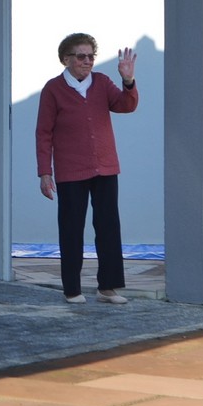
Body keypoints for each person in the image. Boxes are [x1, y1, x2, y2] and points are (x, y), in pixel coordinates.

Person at [35, 33, 138, 305]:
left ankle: (108, 288)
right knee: (71, 229)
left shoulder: (102, 82)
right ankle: (72, 289)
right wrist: (45, 172)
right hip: (71, 170)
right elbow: (43, 133)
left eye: (91, 56)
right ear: (66, 59)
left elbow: (126, 106)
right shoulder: (53, 89)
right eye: (81, 56)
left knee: (108, 227)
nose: (88, 61)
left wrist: (128, 81)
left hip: (105, 167)